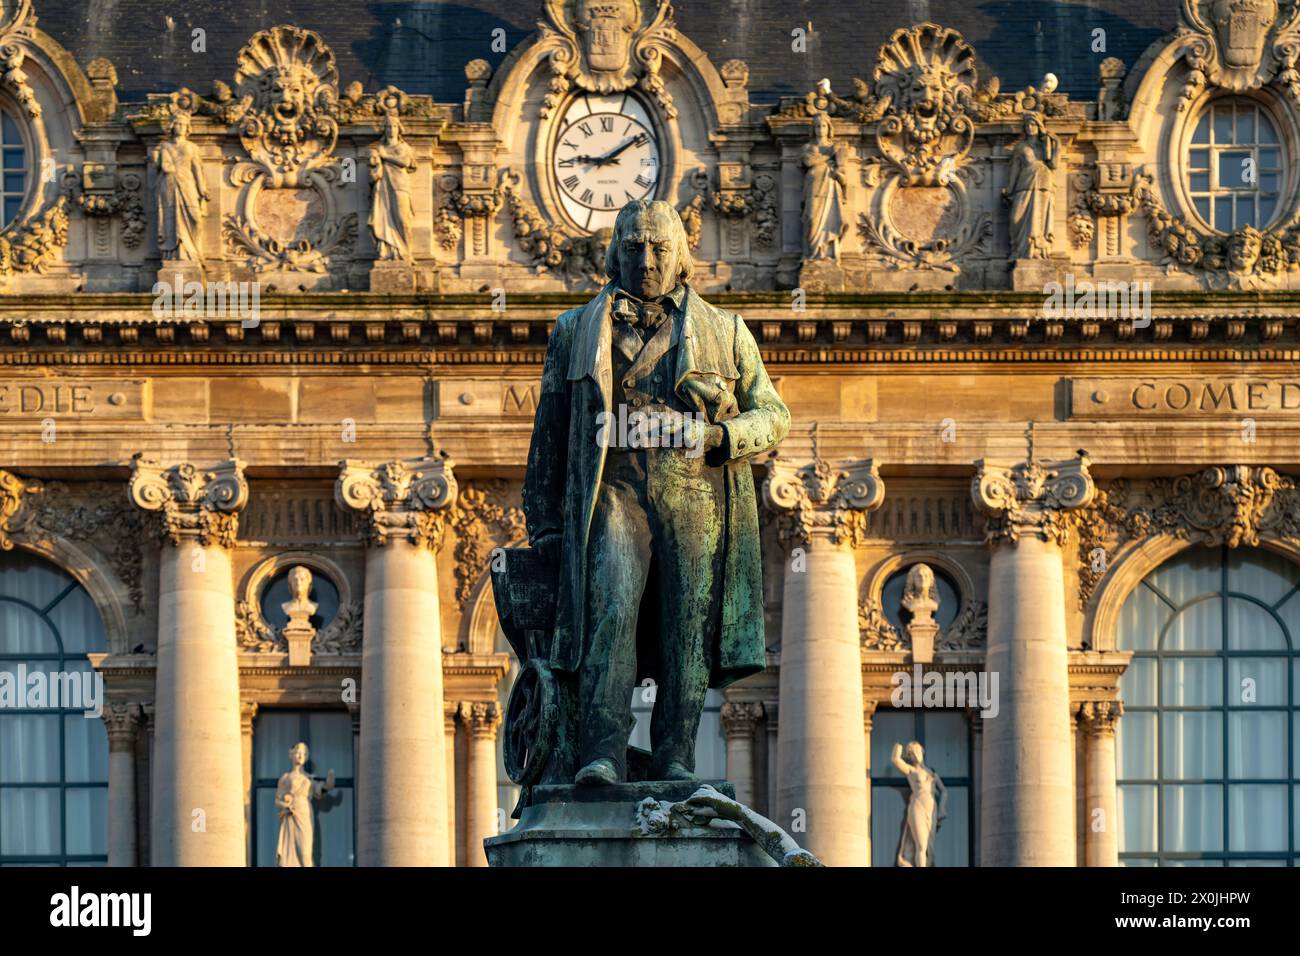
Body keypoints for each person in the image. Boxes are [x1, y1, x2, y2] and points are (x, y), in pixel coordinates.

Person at [522, 199, 789, 785]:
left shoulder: (725, 330)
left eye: (659, 249)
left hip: (695, 494)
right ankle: (602, 754)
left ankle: (675, 756)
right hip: (613, 491)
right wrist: (543, 522)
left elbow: (773, 415)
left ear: (680, 256)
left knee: (687, 627)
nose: (646, 260)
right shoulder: (574, 329)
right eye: (634, 247)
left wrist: (721, 434)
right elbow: (549, 433)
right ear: (614, 254)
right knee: (609, 612)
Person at [275, 742, 335, 867]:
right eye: (298, 752)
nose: (301, 755)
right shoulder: (285, 778)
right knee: (289, 854)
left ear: (306, 757)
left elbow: (321, 789)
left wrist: (328, 784)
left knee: (305, 853)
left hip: (304, 813)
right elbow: (277, 800)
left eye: (304, 753)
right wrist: (285, 806)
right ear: (291, 755)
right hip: (291, 814)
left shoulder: (310, 778)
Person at [891, 740, 947, 867]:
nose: (915, 754)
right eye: (911, 753)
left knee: (930, 850)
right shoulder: (911, 771)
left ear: (922, 751)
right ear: (909, 757)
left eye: (916, 750)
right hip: (918, 806)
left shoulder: (932, 774)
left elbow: (943, 791)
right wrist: (899, 745)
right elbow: (895, 760)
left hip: (932, 808)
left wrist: (942, 808)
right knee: (921, 845)